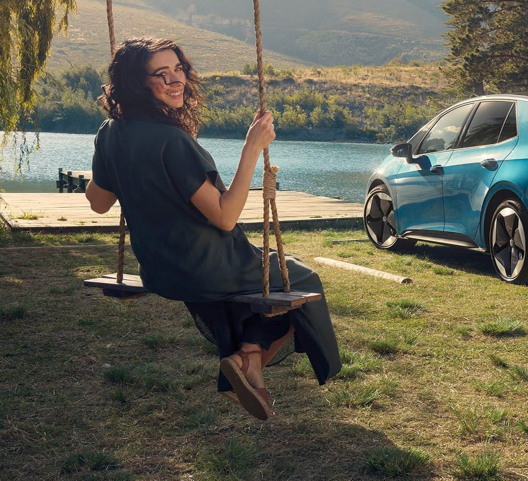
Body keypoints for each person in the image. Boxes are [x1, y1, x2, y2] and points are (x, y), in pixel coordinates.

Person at [85, 37, 341, 420]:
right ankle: (249, 360)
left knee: (268, 281)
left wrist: (119, 167)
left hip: (160, 270)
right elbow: (224, 217)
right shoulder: (174, 142)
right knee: (301, 281)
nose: (176, 81)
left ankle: (249, 364)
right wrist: (251, 149)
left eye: (179, 70)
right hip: (207, 264)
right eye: (161, 74)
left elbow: (98, 202)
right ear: (139, 84)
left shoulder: (110, 133)